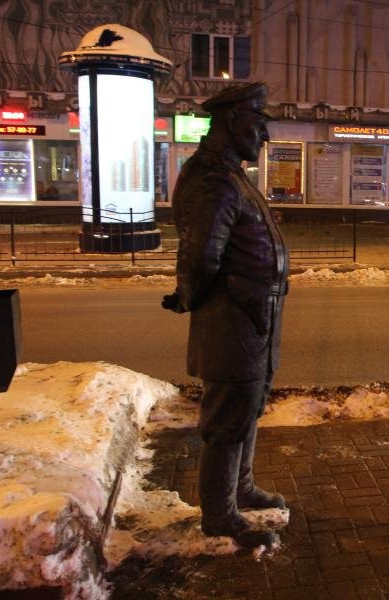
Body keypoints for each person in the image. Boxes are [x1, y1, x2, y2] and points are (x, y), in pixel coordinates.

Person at [161, 82, 289, 549]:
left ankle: (241, 488)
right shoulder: (213, 178)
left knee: (247, 408)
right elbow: (199, 256)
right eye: (259, 124)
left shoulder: (231, 174)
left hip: (253, 319)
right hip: (232, 321)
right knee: (227, 419)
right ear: (233, 120)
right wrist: (189, 296)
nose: (265, 136)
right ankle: (219, 514)